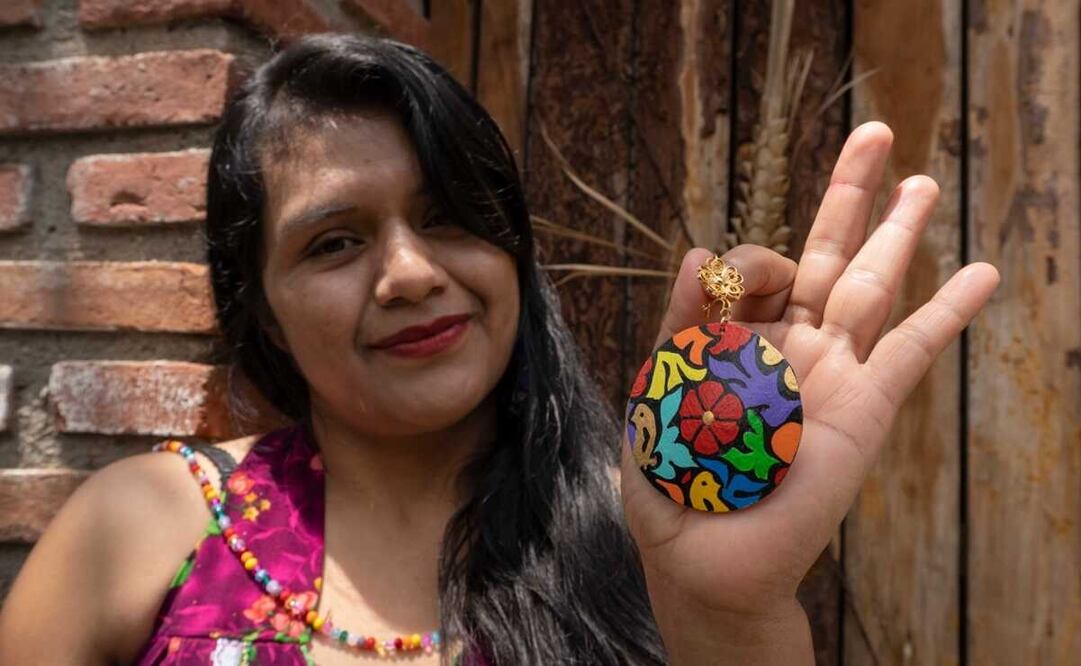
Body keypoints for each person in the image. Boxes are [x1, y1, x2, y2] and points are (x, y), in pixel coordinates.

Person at [0, 34, 999, 665]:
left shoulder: (636, 537)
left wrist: (726, 621)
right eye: (335, 241)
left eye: (449, 218)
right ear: (257, 306)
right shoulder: (137, 532)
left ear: (510, 250)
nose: (409, 273)